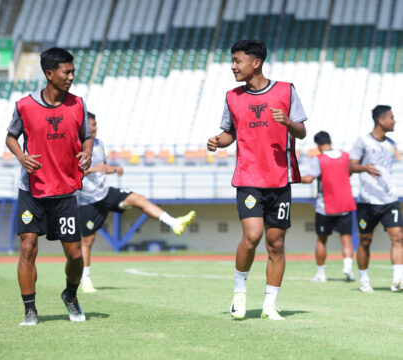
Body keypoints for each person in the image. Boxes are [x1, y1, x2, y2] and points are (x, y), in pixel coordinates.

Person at [207, 40, 307, 321]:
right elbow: (229, 133)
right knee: (252, 236)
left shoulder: (286, 90)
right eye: (233, 61)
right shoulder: (232, 97)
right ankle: (239, 293)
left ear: (256, 63)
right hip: (249, 177)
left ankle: (269, 305)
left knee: (276, 244)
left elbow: (301, 131)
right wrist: (218, 141)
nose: (233, 66)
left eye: (238, 61)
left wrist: (287, 122)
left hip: (279, 178)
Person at [6, 47, 93, 325]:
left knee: (75, 254)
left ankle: (70, 294)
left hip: (65, 190)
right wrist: (21, 156)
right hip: (32, 191)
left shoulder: (78, 104)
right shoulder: (24, 105)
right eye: (66, 72)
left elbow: (86, 137)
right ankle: (30, 309)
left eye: (72, 71)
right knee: (28, 248)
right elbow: (10, 137)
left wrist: (87, 151)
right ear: (49, 74)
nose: (71, 76)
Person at [77, 112, 196, 292]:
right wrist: (93, 169)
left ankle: (174, 222)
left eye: (96, 124)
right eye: (93, 125)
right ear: (85, 126)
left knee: (139, 199)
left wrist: (113, 169)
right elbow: (71, 174)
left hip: (105, 193)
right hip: (87, 201)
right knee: (88, 240)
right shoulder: (76, 146)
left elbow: (104, 167)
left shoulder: (99, 144)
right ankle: (85, 279)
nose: (96, 128)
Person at [349, 105, 403, 293]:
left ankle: (398, 280)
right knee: (365, 240)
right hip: (367, 201)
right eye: (392, 117)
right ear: (381, 120)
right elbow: (350, 167)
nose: (395, 120)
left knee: (398, 236)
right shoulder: (362, 141)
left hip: (389, 200)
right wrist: (365, 168)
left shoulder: (391, 144)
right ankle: (364, 280)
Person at [301, 131, 356, 283]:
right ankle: (348, 269)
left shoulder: (319, 159)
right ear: (330, 142)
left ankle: (321, 274)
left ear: (318, 145)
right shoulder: (345, 156)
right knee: (347, 240)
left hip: (325, 206)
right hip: (345, 203)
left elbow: (310, 178)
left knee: (321, 240)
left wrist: (292, 178)